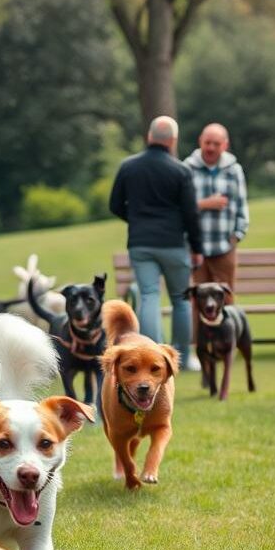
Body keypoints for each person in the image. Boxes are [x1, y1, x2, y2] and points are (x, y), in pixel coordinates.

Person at [109, 115, 203, 369]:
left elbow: (115, 205)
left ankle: (150, 354)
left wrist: (137, 220)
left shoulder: (128, 166)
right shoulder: (181, 170)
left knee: (149, 296)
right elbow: (191, 214)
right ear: (173, 140)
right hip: (173, 244)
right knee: (181, 300)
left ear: (149, 136)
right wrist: (197, 248)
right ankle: (183, 358)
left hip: (141, 243)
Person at [184, 123, 249, 293]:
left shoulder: (234, 170)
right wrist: (203, 204)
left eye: (216, 144)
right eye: (207, 143)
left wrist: (237, 235)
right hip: (195, 249)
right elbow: (179, 207)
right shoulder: (186, 169)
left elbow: (241, 206)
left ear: (225, 145)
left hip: (224, 247)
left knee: (226, 298)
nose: (211, 148)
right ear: (200, 141)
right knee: (198, 299)